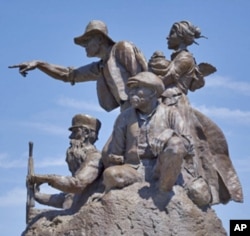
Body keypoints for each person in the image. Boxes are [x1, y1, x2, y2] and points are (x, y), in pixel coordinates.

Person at [149, 21, 243, 206]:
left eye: (172, 34)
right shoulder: (177, 57)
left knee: (183, 144)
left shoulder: (184, 59)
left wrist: (146, 78)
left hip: (175, 104)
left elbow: (165, 80)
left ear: (182, 37)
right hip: (167, 100)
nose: (168, 38)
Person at [9, 20, 148, 112]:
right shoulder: (101, 67)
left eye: (87, 41)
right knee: (108, 154)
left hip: (142, 110)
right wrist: (39, 64)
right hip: (127, 113)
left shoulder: (122, 48)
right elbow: (69, 74)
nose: (84, 46)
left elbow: (143, 78)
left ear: (100, 39)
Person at [102, 71, 193, 193]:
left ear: (153, 92)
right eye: (131, 89)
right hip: (133, 169)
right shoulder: (124, 117)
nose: (132, 92)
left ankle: (163, 193)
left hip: (161, 168)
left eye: (138, 88)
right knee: (110, 174)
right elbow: (117, 152)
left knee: (176, 144)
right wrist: (115, 158)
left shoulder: (171, 113)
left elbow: (188, 145)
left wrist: (170, 133)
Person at [30, 114, 103, 210]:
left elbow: (76, 185)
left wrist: (46, 179)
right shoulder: (81, 159)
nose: (70, 136)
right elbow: (68, 197)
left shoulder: (95, 158)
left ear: (86, 132)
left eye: (75, 132)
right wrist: (37, 195)